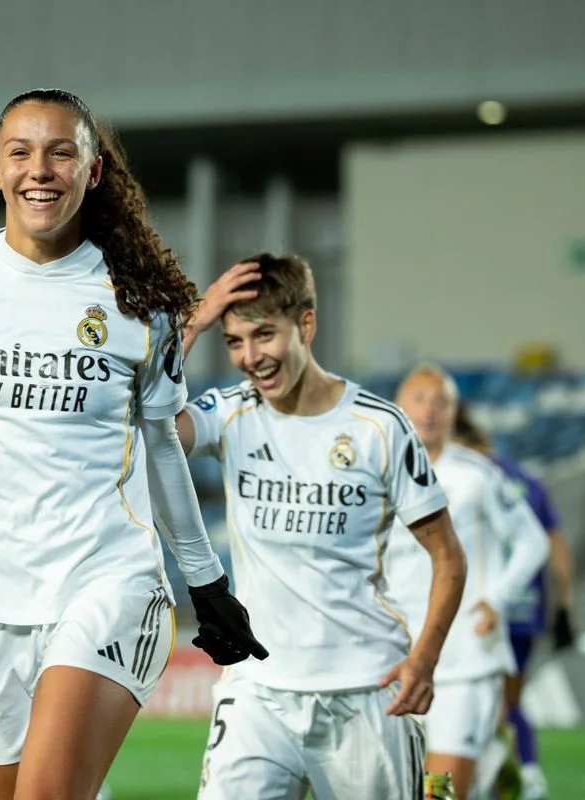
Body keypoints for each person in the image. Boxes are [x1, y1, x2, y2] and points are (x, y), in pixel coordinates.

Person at [0, 88, 267, 800]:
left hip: (107, 582)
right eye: (21, 152)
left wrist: (206, 580)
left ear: (93, 171)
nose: (38, 169)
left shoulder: (139, 302)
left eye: (60, 151)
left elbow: (162, 444)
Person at [176, 255, 467, 799]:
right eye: (234, 341)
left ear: (305, 325)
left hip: (366, 693)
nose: (249, 358)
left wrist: (425, 659)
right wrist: (198, 318)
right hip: (257, 691)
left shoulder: (380, 427)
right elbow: (147, 425)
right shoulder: (231, 412)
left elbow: (448, 555)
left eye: (264, 335)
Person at [386, 364, 551, 798]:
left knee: (438, 791)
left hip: (465, 662)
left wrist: (496, 598)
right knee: (399, 785)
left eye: (442, 402)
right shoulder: (376, 476)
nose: (429, 410)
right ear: (399, 408)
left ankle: (488, 766)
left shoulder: (478, 475)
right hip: (395, 658)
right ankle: (495, 767)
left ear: (455, 413)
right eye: (419, 398)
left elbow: (534, 541)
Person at [454, 406, 575, 800]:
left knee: (472, 702)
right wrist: (564, 605)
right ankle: (523, 770)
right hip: (526, 609)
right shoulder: (530, 483)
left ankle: (503, 774)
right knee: (507, 698)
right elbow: (553, 544)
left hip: (477, 610)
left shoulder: (466, 479)